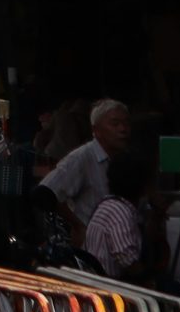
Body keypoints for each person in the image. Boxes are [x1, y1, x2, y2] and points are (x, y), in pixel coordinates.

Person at [42, 97, 130, 232]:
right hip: (93, 245)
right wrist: (78, 227)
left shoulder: (126, 158)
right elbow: (46, 192)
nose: (123, 129)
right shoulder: (82, 157)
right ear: (96, 130)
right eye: (115, 123)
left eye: (126, 123)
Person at [82, 151, 153, 280]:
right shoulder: (118, 211)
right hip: (110, 285)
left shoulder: (112, 206)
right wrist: (149, 282)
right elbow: (126, 257)